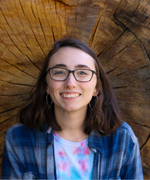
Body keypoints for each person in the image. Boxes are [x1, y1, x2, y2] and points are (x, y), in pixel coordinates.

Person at [1, 38, 143, 179]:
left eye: (82, 72)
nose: (70, 83)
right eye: (59, 72)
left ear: (96, 88)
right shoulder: (18, 139)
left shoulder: (122, 139)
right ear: (46, 86)